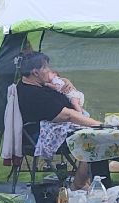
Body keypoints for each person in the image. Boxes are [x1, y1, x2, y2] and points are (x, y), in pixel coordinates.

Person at [16, 52, 105, 188]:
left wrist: (67, 83)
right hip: (42, 136)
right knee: (95, 139)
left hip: (61, 126)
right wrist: (100, 125)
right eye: (46, 67)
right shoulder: (33, 94)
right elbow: (68, 115)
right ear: (35, 72)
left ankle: (87, 182)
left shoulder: (39, 84)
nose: (50, 71)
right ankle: (79, 185)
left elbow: (73, 98)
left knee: (98, 136)